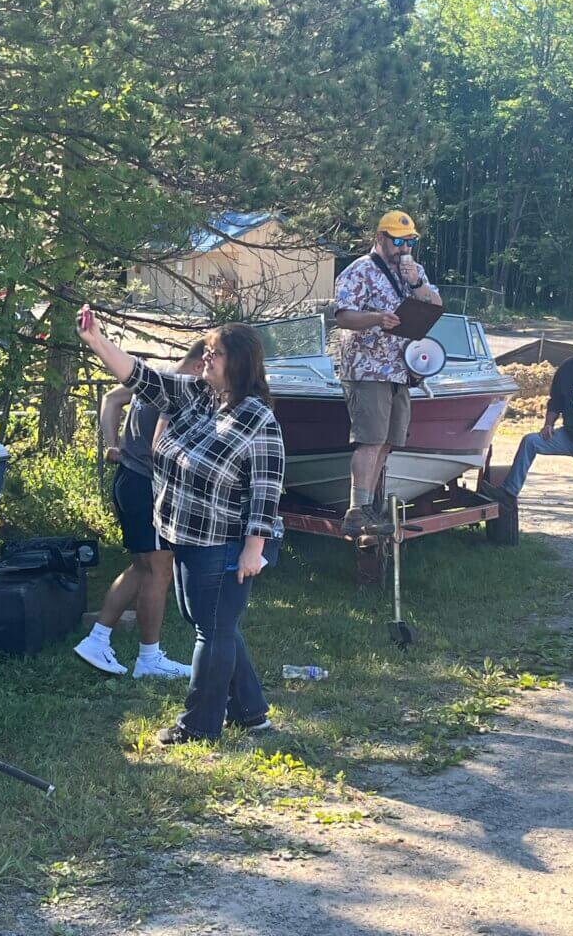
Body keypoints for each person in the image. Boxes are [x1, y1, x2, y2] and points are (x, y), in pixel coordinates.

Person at [77, 309, 285, 745]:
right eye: (206, 351)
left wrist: (253, 549)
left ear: (240, 363)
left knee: (211, 628)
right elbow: (141, 377)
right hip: (185, 532)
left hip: (228, 541)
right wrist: (97, 342)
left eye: (216, 354)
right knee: (213, 622)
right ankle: (251, 714)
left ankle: (199, 726)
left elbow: (267, 490)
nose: (206, 359)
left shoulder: (258, 419)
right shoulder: (194, 394)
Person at [74, 341, 206, 678]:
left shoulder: (158, 377)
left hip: (128, 479)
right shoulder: (183, 390)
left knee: (141, 568)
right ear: (199, 365)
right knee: (159, 571)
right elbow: (161, 447)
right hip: (147, 485)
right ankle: (149, 659)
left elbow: (112, 399)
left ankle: (97, 639)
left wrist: (112, 443)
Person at [482, 318, 573, 569]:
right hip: (569, 435)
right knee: (530, 441)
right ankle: (508, 493)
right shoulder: (569, 367)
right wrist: (549, 424)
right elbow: (556, 400)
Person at [334, 210, 442, 537]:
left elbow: (436, 305)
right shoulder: (360, 271)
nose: (404, 248)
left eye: (410, 242)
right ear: (380, 237)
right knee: (371, 438)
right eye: (398, 241)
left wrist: (416, 282)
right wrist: (377, 318)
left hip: (400, 369)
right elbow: (343, 316)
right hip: (367, 368)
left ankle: (370, 509)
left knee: (388, 441)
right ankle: (357, 510)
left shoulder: (413, 271)